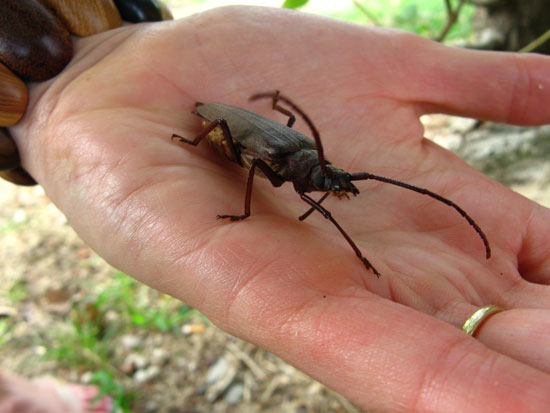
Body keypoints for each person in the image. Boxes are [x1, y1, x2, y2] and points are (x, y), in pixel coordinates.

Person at [5, 6, 550, 411]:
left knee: (327, 194)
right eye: (326, 180)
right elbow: (257, 148)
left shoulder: (312, 160)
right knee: (314, 204)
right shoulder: (288, 159)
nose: (331, 186)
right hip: (220, 131)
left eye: (329, 178)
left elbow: (319, 173)